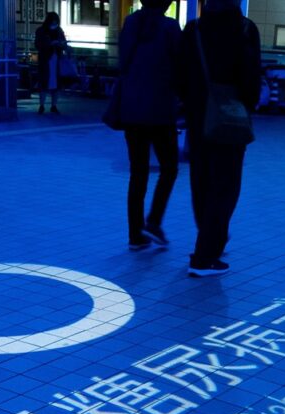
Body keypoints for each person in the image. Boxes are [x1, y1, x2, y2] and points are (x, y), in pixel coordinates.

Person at [175, 0, 261, 278]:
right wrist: (246, 106)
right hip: (229, 116)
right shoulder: (245, 29)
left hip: (198, 116)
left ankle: (210, 240)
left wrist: (192, 103)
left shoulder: (194, 28)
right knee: (226, 186)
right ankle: (204, 256)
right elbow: (251, 78)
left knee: (201, 181)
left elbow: (181, 76)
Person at [117, 0, 181, 251]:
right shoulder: (170, 27)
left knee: (138, 173)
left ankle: (135, 235)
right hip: (160, 110)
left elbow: (123, 63)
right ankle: (153, 220)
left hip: (132, 109)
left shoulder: (131, 23)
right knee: (169, 168)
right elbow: (179, 68)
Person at [34, 12, 69, 114]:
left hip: (56, 59)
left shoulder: (59, 31)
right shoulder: (41, 31)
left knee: (55, 84)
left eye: (56, 22)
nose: (54, 24)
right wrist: (50, 44)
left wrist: (61, 44)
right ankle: (42, 105)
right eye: (53, 22)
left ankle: (53, 105)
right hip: (46, 60)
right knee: (44, 83)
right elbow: (38, 44)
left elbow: (64, 43)